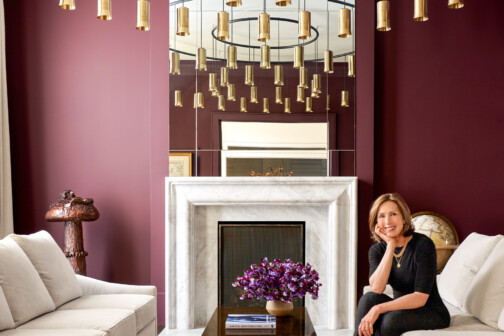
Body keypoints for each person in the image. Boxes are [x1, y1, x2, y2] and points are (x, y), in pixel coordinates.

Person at [355, 193, 450, 336]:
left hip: (431, 310)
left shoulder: (423, 245)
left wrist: (379, 308)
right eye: (381, 216)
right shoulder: (377, 250)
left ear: (404, 219)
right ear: (376, 222)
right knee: (368, 299)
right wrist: (390, 245)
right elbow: (377, 288)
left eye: (393, 214)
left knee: (389, 320)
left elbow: (420, 297)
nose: (387, 221)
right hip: (403, 307)